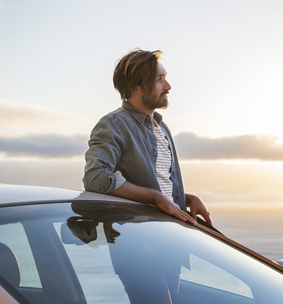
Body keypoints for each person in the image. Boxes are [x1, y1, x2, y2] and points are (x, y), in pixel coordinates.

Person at [82, 49, 212, 226]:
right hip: (140, 243)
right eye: (159, 79)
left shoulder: (162, 127)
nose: (168, 86)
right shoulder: (113, 124)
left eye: (165, 77)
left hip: (176, 235)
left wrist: (187, 199)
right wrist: (154, 197)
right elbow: (95, 178)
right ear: (136, 86)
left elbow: (158, 184)